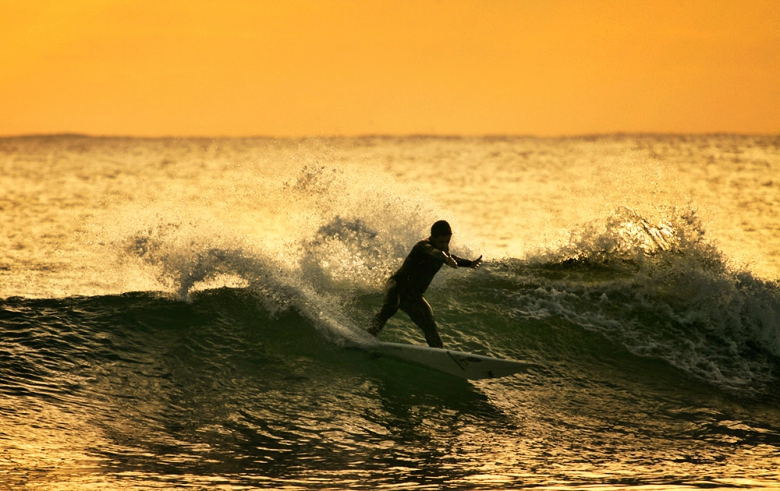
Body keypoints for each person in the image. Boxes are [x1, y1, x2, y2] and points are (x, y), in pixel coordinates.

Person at [368, 220, 482, 348]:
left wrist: (469, 263)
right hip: (397, 285)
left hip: (414, 295)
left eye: (447, 242)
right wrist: (446, 258)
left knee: (430, 325)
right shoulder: (423, 246)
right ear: (432, 238)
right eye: (441, 242)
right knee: (391, 307)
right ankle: (367, 338)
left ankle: (441, 355)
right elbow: (434, 253)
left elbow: (449, 256)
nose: (444, 245)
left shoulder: (443, 249)